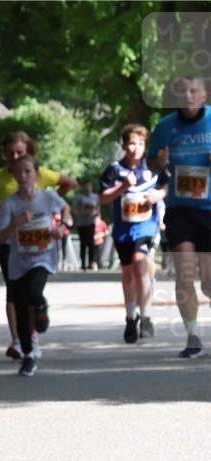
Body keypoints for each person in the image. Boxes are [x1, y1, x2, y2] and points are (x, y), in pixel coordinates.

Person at [0, 131, 78, 360]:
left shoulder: (38, 175)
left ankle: (31, 336)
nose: (15, 156)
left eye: (20, 152)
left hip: (39, 247)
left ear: (29, 155)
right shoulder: (0, 176)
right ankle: (18, 340)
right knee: (13, 293)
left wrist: (56, 214)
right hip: (11, 242)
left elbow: (69, 185)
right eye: (10, 153)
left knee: (32, 292)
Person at [147, 76, 211, 359]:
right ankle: (193, 336)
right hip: (180, 209)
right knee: (185, 274)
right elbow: (151, 162)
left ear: (204, 94)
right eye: (182, 92)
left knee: (209, 281)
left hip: (209, 209)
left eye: (193, 91)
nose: (188, 96)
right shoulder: (164, 126)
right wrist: (157, 163)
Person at [0, 155, 73, 376]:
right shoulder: (10, 204)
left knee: (34, 292)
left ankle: (40, 307)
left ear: (37, 174)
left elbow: (66, 209)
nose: (22, 176)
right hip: (18, 261)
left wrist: (62, 226)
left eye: (27, 171)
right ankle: (28, 356)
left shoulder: (48, 197)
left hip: (43, 257)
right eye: (18, 172)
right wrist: (15, 224)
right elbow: (1, 237)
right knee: (20, 308)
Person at [100, 124, 168, 343]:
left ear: (145, 146)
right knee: (128, 273)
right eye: (131, 143)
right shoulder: (114, 170)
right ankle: (131, 317)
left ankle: (146, 316)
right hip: (123, 230)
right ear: (124, 145)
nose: (136, 148)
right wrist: (121, 188)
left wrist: (159, 194)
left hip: (146, 227)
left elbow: (168, 185)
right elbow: (102, 198)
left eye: (140, 143)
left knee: (140, 263)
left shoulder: (153, 168)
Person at [72, 181, 100, 270]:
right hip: (81, 223)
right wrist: (79, 213)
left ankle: (91, 262)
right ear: (83, 188)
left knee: (91, 243)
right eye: (86, 186)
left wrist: (97, 213)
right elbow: (72, 208)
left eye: (89, 186)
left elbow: (98, 207)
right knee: (83, 243)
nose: (88, 188)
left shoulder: (95, 197)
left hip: (91, 222)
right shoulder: (79, 197)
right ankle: (83, 262)